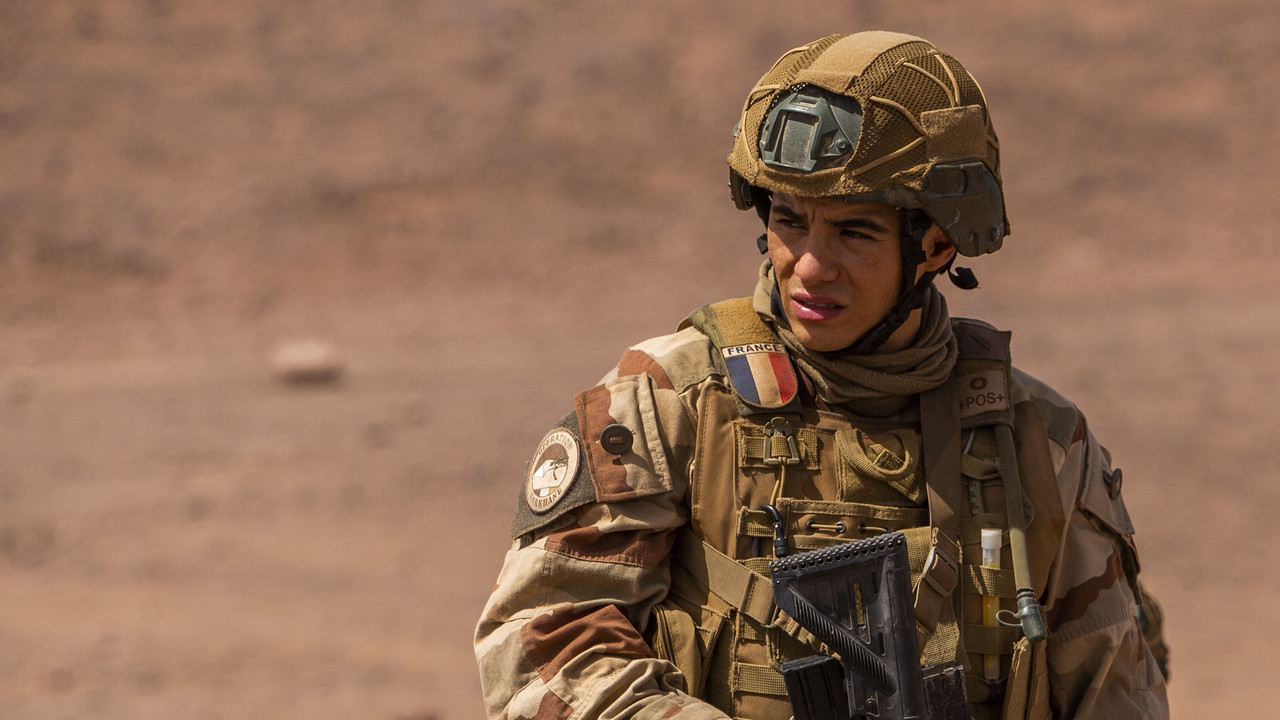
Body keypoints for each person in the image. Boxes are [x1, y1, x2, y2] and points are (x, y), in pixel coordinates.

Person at [474, 31, 1170, 720]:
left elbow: (1116, 683)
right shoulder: (673, 400)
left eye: (853, 232)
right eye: (789, 221)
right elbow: (543, 637)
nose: (809, 265)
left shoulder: (1033, 440)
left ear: (936, 245)